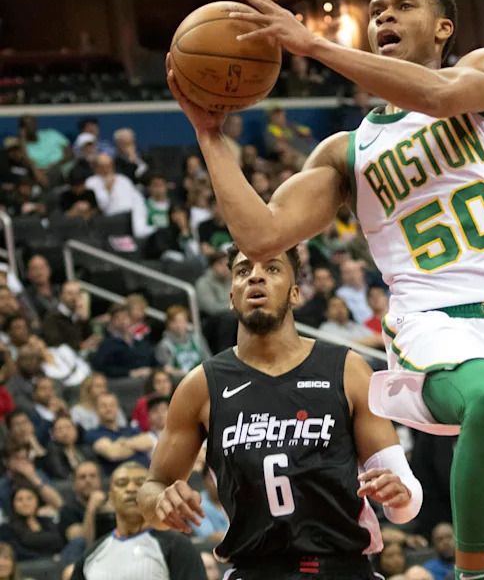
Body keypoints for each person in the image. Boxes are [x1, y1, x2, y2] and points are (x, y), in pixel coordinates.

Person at [170, 0, 484, 580]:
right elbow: (260, 235)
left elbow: (439, 99)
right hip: (432, 325)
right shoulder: (345, 151)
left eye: (403, 6)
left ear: (444, 28)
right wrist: (209, 134)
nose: (384, 16)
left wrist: (315, 46)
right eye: (378, 9)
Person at [137, 246, 422, 580]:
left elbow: (406, 499)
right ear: (232, 297)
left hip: (343, 568)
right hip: (255, 569)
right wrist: (160, 503)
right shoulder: (200, 386)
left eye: (272, 269)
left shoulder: (347, 370)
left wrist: (399, 497)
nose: (255, 275)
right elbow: (152, 487)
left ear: (295, 292)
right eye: (243, 271)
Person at [71, 461, 205, 580]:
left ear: (152, 495)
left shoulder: (177, 546)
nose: (131, 489)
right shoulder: (90, 556)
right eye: (122, 484)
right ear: (111, 498)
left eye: (140, 483)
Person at [58, 461, 116, 545]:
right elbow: (83, 543)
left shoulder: (112, 503)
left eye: (92, 476)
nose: (88, 480)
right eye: (82, 477)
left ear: (100, 480)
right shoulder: (67, 511)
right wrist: (91, 507)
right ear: (74, 484)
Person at [154, 306, 211, 374]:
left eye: (182, 321)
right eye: (175, 322)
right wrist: (187, 375)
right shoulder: (163, 346)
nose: (179, 325)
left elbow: (208, 361)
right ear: (168, 324)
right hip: (179, 381)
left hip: (200, 377)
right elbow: (167, 371)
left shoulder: (197, 339)